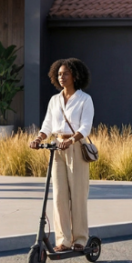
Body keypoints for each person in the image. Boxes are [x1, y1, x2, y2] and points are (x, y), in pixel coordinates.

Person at [34, 58, 95, 252]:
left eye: (65, 73)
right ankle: (63, 240)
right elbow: (47, 124)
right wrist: (39, 138)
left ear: (75, 76)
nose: (62, 77)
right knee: (59, 196)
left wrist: (71, 141)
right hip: (57, 148)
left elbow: (85, 127)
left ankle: (80, 239)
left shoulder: (85, 99)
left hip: (75, 147)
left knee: (78, 195)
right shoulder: (55, 100)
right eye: (59, 74)